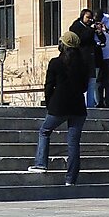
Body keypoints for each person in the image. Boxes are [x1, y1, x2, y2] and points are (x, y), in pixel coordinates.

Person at [28, 31, 88, 186]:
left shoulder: (55, 62)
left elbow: (48, 86)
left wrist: (50, 104)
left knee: (44, 131)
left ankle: (41, 164)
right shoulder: (83, 64)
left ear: (63, 45)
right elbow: (84, 87)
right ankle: (71, 179)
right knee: (73, 143)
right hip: (78, 107)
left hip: (59, 105)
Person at [69, 9, 98, 108]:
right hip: (81, 59)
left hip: (91, 59)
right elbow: (82, 39)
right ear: (82, 17)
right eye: (87, 17)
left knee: (92, 82)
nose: (90, 20)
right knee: (81, 83)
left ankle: (90, 105)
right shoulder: (76, 27)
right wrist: (91, 29)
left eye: (91, 18)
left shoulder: (89, 27)